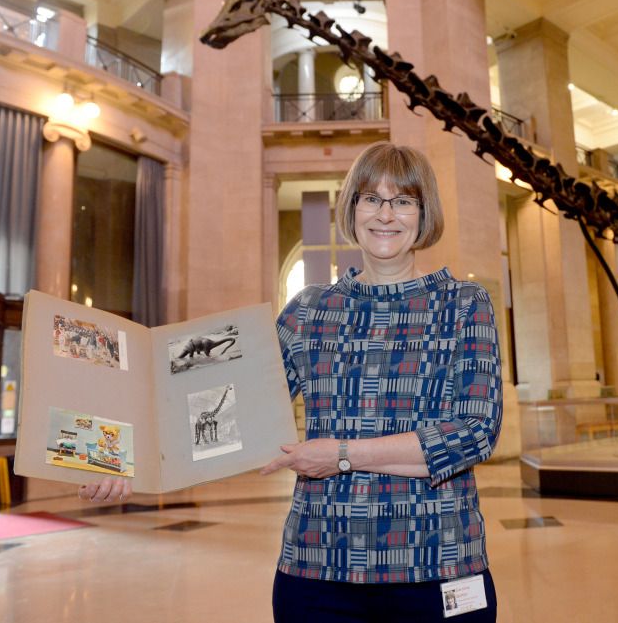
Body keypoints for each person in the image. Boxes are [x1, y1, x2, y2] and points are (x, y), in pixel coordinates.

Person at [79, 141, 503, 622]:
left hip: (438, 563)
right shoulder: (309, 309)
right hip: (318, 569)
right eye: (371, 198)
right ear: (351, 208)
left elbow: (474, 433)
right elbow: (222, 404)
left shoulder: (465, 302)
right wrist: (121, 460)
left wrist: (340, 455)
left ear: (424, 213)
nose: (386, 214)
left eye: (403, 200)